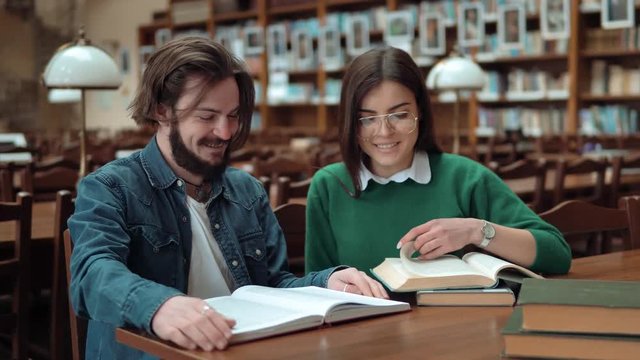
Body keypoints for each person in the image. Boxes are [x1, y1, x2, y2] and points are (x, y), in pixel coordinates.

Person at [68, 37, 387, 359]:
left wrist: (325, 282)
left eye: (233, 115)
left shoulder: (246, 190)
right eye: (207, 117)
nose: (225, 133)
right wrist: (159, 307)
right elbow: (90, 274)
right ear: (161, 111)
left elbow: (272, 286)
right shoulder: (110, 187)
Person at [304, 47, 571, 279]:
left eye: (399, 114)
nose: (384, 132)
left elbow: (557, 253)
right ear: (350, 121)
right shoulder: (329, 185)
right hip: (364, 333)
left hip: (451, 330)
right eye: (367, 118)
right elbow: (317, 282)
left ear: (420, 111)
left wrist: (475, 230)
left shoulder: (465, 177)